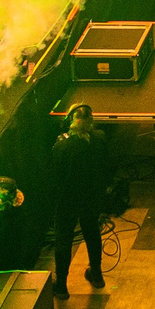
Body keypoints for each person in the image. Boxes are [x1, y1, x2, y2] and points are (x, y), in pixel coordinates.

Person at [48, 103, 112, 297]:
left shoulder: (62, 145)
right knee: (92, 234)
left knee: (64, 241)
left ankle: (61, 285)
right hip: (91, 198)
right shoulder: (99, 138)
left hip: (67, 201)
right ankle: (97, 275)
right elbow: (106, 167)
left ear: (70, 120)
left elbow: (55, 177)